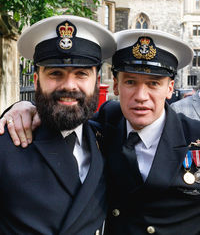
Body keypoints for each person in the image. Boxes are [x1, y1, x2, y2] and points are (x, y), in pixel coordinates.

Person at [2, 29, 200, 235]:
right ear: (116, 85)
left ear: (170, 88)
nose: (141, 96)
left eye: (153, 84)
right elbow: (66, 110)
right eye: (130, 82)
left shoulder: (194, 136)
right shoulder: (106, 124)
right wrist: (21, 107)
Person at [0, 15, 116, 234]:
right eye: (55, 73)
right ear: (36, 82)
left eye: (81, 74)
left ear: (97, 83)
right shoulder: (6, 145)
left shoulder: (110, 139)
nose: (69, 86)